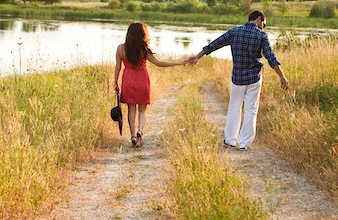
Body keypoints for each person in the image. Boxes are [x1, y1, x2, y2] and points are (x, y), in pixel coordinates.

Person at [187, 10, 289, 150]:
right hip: (254, 78)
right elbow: (270, 57)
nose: (263, 27)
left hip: (237, 77)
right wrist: (282, 76)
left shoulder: (234, 32)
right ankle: (243, 143)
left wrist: (197, 57)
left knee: (234, 107)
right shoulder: (261, 36)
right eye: (264, 24)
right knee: (250, 110)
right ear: (259, 19)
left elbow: (214, 45)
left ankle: (230, 141)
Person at [114, 22, 186, 147]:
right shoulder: (145, 49)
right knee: (142, 110)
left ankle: (132, 137)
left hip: (128, 81)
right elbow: (159, 63)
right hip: (142, 80)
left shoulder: (121, 48)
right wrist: (178, 63)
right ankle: (140, 131)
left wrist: (115, 82)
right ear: (143, 34)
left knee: (131, 110)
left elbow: (117, 67)